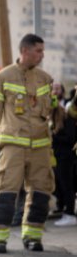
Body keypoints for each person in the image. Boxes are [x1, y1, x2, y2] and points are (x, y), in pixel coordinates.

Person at [0, 34, 55, 252]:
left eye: (43, 51)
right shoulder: (3, 77)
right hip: (13, 145)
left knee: (41, 189)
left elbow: (49, 110)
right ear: (25, 51)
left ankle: (33, 236)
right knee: (6, 187)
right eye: (38, 51)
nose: (42, 55)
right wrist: (8, 128)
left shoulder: (45, 78)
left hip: (40, 145)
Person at [51, 82, 76, 226]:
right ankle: (63, 209)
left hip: (66, 156)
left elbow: (70, 138)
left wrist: (52, 137)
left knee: (67, 184)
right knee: (60, 183)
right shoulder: (56, 117)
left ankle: (70, 213)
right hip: (59, 156)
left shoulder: (66, 115)